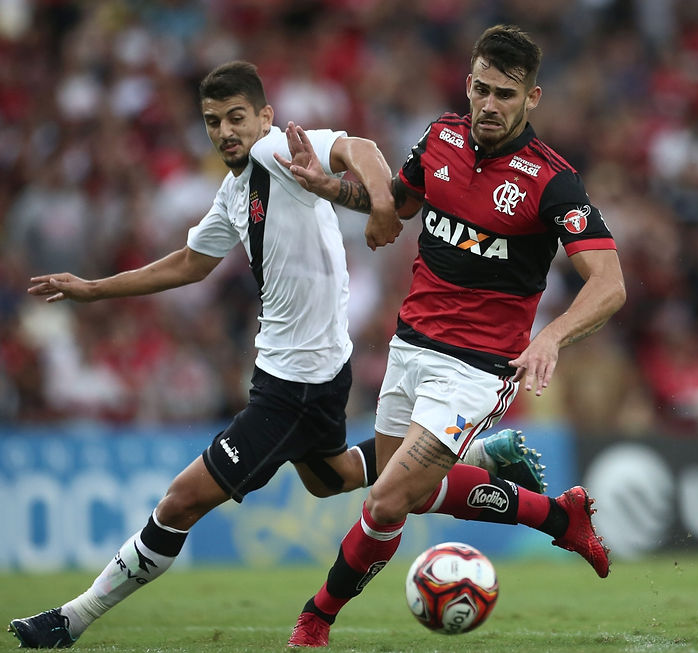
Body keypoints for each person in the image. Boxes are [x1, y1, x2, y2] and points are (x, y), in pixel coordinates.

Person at [7, 60, 544, 650]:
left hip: (294, 386)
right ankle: (482, 453)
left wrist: (383, 206)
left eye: (236, 117)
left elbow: (359, 148)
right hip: (308, 373)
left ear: (264, 117)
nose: (225, 131)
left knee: (179, 502)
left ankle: (72, 619)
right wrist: (93, 289)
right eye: (213, 121)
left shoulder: (275, 152)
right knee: (332, 478)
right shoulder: (235, 190)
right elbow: (190, 263)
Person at [279, 25, 627, 648]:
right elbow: (397, 203)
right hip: (410, 344)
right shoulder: (440, 137)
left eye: (506, 95)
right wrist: (332, 188)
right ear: (468, 83)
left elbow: (609, 283)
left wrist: (551, 337)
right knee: (407, 494)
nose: (490, 104)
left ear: (532, 98)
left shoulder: (552, 181)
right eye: (482, 89)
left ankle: (315, 618)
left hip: (477, 367)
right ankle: (558, 515)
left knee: (386, 502)